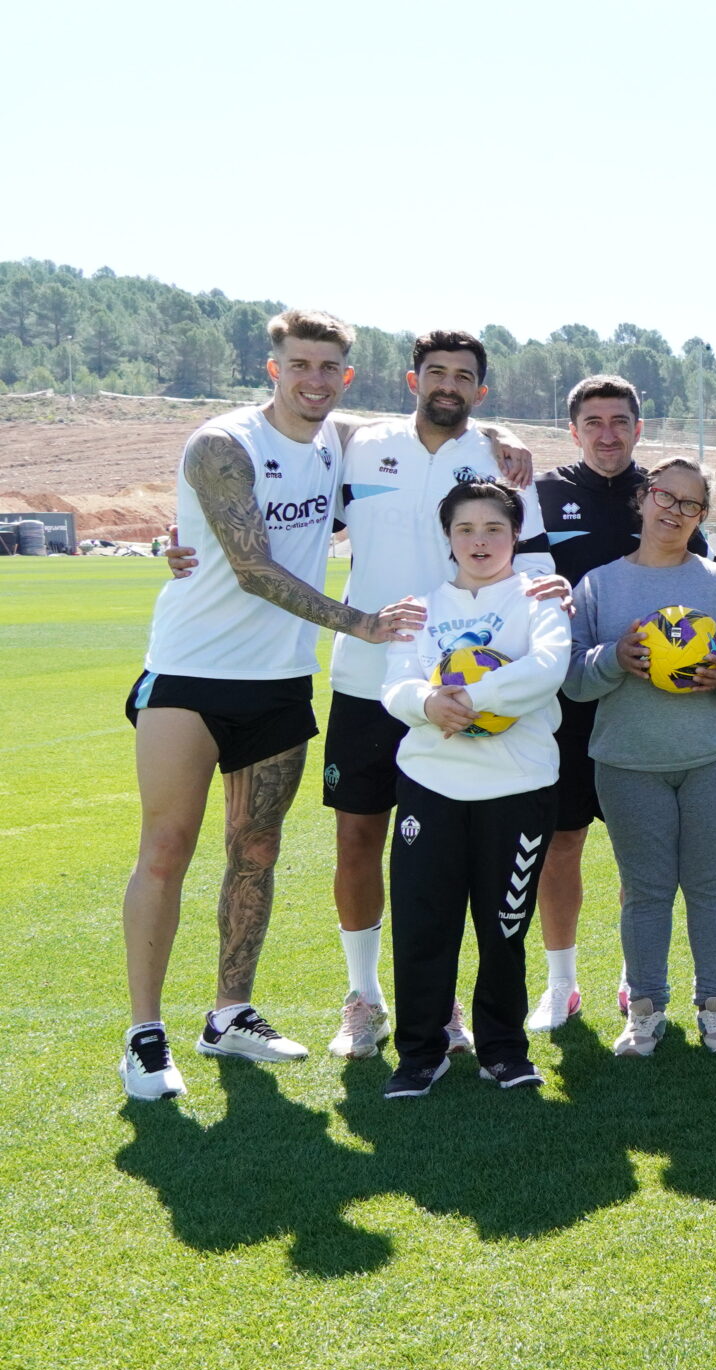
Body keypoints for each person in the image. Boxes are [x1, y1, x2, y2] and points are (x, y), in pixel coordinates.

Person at [155, 328, 545, 1063]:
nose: (449, 386)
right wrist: (173, 543)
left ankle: (444, 1006)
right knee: (358, 839)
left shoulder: (496, 458)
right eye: (437, 372)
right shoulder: (357, 445)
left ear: (481, 392)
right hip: (367, 681)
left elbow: (529, 556)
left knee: (451, 856)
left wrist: (507, 435)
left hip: (460, 690)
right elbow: (268, 491)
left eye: (465, 376)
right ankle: (363, 998)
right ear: (411, 379)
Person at [118, 308, 426, 1101]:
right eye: (300, 365)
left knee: (255, 852)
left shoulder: (338, 437)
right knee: (167, 849)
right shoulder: (224, 443)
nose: (314, 380)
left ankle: (229, 1016)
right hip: (189, 676)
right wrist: (359, 621)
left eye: (329, 368)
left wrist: (507, 442)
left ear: (345, 376)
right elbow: (252, 569)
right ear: (273, 368)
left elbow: (417, 425)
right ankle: (144, 1037)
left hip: (280, 684)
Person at [564, 459, 716, 1057]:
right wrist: (613, 657)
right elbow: (574, 679)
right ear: (643, 499)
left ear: (702, 516)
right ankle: (646, 1011)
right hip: (629, 761)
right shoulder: (600, 585)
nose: (674, 511)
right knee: (646, 889)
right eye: (665, 496)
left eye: (690, 504)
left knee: (710, 885)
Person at [516, 375, 707, 1028]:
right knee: (560, 842)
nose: (607, 433)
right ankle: (561, 985)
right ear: (573, 430)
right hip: (564, 704)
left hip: (645, 705)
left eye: (619, 421)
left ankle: (637, 978)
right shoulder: (540, 497)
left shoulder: (665, 496)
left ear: (638, 428)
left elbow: (701, 584)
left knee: (640, 851)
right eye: (593, 421)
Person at [378, 480, 571, 1097]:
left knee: (503, 926)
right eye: (465, 529)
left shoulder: (540, 597)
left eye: (493, 528)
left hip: (517, 786)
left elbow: (547, 670)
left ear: (515, 535)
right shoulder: (420, 608)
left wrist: (472, 700)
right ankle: (420, 1052)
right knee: (422, 925)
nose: (479, 540)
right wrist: (428, 702)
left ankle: (503, 1049)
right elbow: (396, 685)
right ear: (449, 538)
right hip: (432, 784)